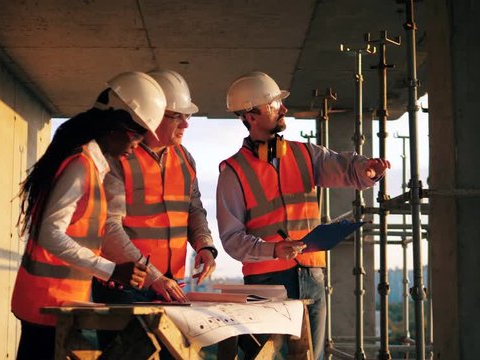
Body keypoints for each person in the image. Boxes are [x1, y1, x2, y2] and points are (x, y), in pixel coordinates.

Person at [216, 71, 390, 360]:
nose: (283, 109)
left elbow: (343, 166)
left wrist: (366, 169)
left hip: (312, 275)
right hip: (266, 283)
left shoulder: (304, 154)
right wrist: (273, 249)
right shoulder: (233, 172)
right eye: (274, 105)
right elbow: (232, 240)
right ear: (251, 115)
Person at [10, 71, 167, 360]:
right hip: (47, 301)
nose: (136, 147)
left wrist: (105, 271)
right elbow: (50, 234)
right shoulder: (80, 165)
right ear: (113, 127)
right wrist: (109, 270)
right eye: (136, 136)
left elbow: (79, 234)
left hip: (59, 301)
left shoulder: (92, 167)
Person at [93, 69, 217, 309]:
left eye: (186, 116)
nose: (186, 124)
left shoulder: (185, 158)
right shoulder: (118, 156)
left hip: (171, 284)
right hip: (126, 286)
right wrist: (152, 276)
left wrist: (204, 245)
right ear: (153, 114)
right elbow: (108, 226)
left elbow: (194, 209)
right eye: (177, 116)